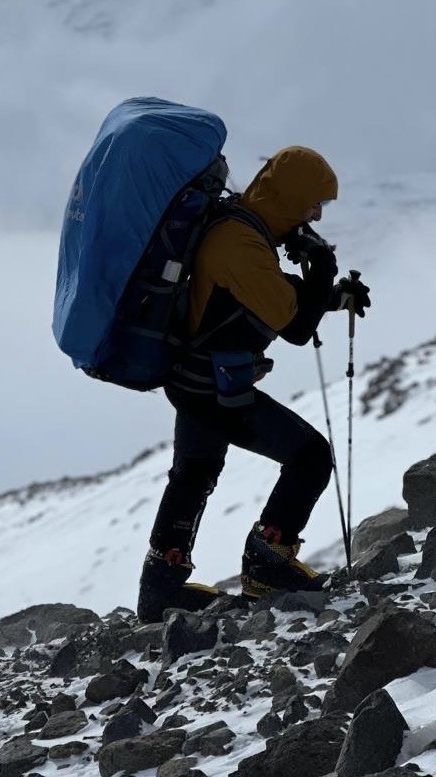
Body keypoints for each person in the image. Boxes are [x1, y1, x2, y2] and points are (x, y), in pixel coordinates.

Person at [137, 146, 371, 622]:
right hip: (212, 388)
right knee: (309, 458)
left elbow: (266, 294)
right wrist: (323, 265)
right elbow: (294, 325)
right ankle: (267, 566)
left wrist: (333, 296)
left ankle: (159, 588)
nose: (318, 215)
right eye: (314, 204)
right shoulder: (239, 244)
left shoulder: (241, 228)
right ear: (291, 198)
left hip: (193, 378)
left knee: (195, 474)